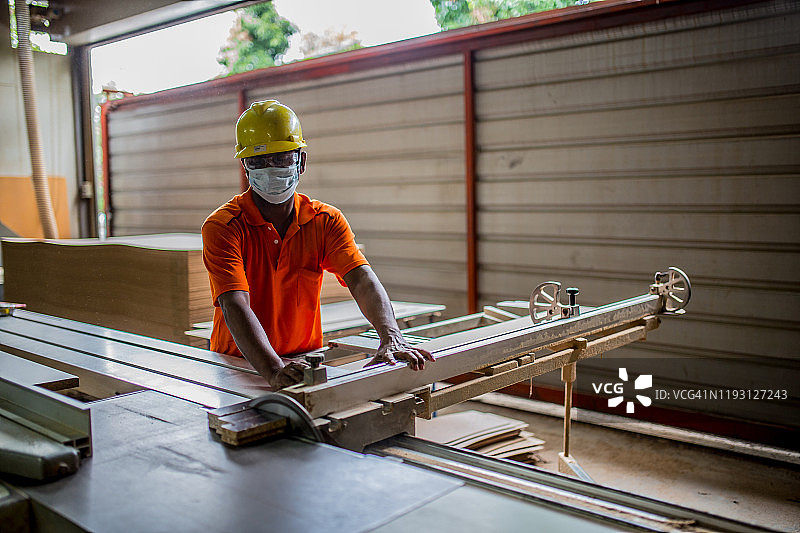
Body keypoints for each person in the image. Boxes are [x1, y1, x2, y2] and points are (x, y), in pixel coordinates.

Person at [202, 100, 434, 390]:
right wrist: (273, 370)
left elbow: (361, 278)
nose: (270, 169)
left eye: (280, 158)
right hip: (239, 365)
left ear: (302, 161)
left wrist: (390, 336)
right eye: (258, 162)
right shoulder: (224, 227)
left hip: (304, 361)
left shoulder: (325, 221)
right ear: (244, 166)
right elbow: (234, 303)